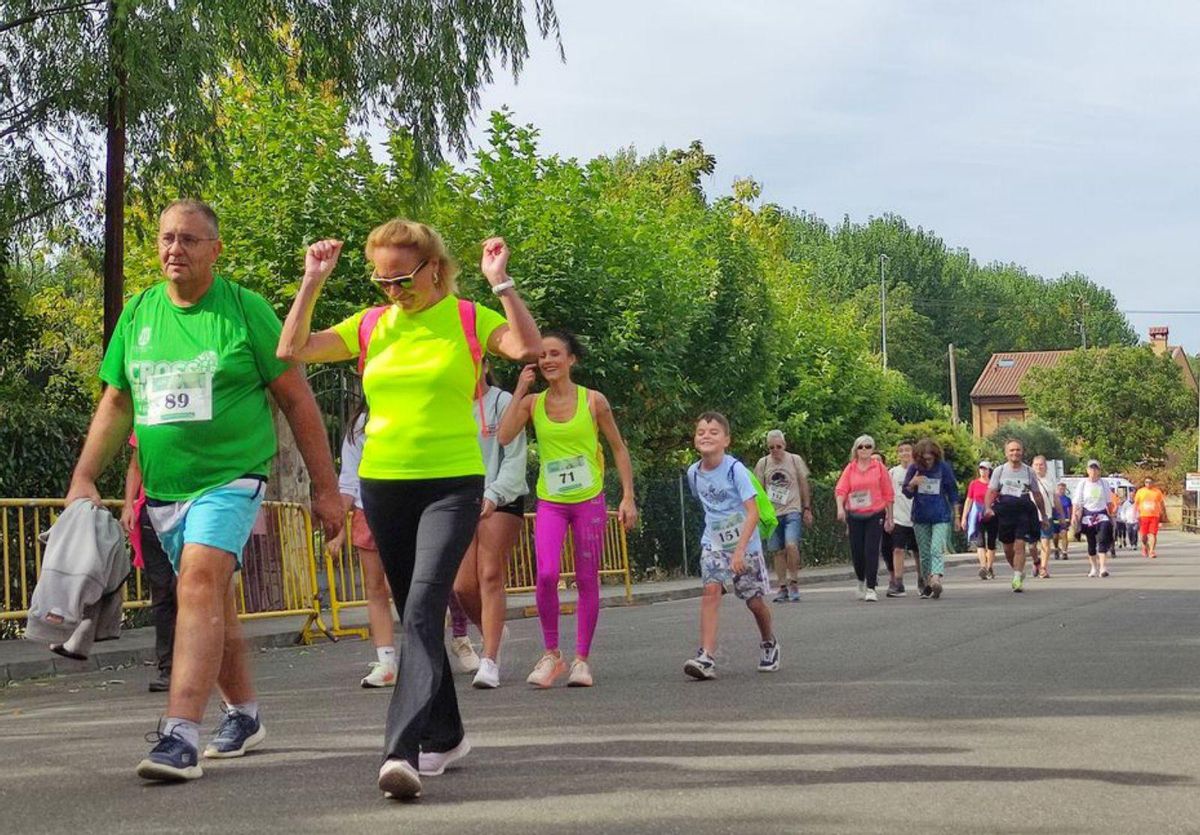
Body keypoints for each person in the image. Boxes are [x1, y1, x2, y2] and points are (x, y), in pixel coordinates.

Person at [66, 199, 343, 783]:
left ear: (215, 250)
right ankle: (244, 714)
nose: (175, 249)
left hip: (231, 477)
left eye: (189, 239)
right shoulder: (139, 313)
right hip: (165, 490)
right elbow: (118, 402)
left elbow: (297, 399)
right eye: (167, 238)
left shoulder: (244, 311)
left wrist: (326, 488)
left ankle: (179, 734)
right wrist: (84, 475)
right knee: (209, 601)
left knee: (197, 579)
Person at [278, 221, 540, 799]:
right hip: (384, 485)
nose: (393, 291)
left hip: (452, 482)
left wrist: (502, 283)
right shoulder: (372, 324)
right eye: (382, 280)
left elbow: (528, 349)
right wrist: (312, 280)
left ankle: (402, 750)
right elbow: (291, 348)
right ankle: (446, 734)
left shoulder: (469, 318)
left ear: (434, 269)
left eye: (403, 279)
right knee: (416, 612)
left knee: (421, 609)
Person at [498, 330, 638, 689]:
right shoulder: (533, 403)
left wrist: (627, 497)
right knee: (546, 574)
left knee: (587, 577)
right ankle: (551, 654)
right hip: (552, 501)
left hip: (588, 499)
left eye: (555, 354)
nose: (547, 360)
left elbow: (619, 449)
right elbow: (503, 435)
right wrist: (520, 390)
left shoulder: (594, 401)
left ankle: (581, 660)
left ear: (571, 359)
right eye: (542, 355)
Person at [682, 412, 780, 679]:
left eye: (713, 432)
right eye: (701, 432)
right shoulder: (694, 472)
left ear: (726, 439)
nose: (706, 436)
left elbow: (753, 512)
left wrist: (738, 551)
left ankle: (769, 641)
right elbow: (707, 506)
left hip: (745, 546)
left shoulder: (735, 470)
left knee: (754, 600)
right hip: (714, 542)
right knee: (710, 591)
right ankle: (706, 656)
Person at [453, 358, 529, 689]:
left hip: (502, 497)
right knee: (461, 587)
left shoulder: (502, 402)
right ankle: (492, 628)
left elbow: (514, 458)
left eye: (472, 361)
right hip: (460, 500)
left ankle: (490, 660)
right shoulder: (447, 407)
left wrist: (494, 494)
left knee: (489, 573)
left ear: (484, 365)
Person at [325, 410, 399, 688]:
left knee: (406, 587)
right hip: (369, 511)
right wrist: (337, 528)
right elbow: (349, 481)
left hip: (407, 509)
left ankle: (425, 654)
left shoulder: (408, 405)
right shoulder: (359, 424)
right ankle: (386, 661)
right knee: (375, 587)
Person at [121, 436, 175, 693]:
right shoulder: (148, 414)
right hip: (151, 513)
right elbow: (136, 465)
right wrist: (128, 506)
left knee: (189, 590)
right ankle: (168, 668)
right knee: (162, 592)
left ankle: (200, 664)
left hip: (191, 509)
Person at [754, 429, 813, 603]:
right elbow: (758, 489)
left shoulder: (795, 460)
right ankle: (782, 586)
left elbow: (804, 485)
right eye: (771, 447)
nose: (775, 451)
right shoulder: (763, 464)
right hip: (772, 514)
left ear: (784, 445)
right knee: (777, 551)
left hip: (792, 510)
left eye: (778, 447)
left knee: (791, 545)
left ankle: (793, 580)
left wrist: (807, 508)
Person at [982, 439, 1048, 593]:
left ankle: (1017, 578)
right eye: (1011, 450)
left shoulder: (1028, 471)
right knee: (1007, 548)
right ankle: (1017, 571)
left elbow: (1037, 494)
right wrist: (987, 508)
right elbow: (991, 491)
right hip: (1005, 510)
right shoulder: (999, 471)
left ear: (1022, 451)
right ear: (1006, 453)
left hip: (1023, 509)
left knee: (1020, 545)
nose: (1015, 453)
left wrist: (1043, 515)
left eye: (1018, 450)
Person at [834, 435, 894, 603]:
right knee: (857, 552)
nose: (865, 450)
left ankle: (871, 587)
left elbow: (888, 492)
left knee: (871, 550)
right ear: (856, 450)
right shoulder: (850, 468)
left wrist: (890, 516)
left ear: (873, 449)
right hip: (855, 514)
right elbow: (841, 489)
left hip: (875, 513)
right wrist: (840, 508)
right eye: (861, 447)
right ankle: (861, 579)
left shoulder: (879, 468)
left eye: (868, 446)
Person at [902, 438, 960, 599]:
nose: (928, 461)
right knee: (924, 552)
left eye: (930, 458)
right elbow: (906, 493)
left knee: (936, 548)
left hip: (940, 514)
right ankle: (927, 582)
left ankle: (936, 577)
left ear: (936, 455)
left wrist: (957, 516)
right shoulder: (914, 468)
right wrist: (912, 483)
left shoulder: (943, 468)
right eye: (925, 458)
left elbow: (953, 492)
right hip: (920, 516)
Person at [886, 442, 921, 597]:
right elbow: (888, 496)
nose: (904, 453)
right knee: (898, 549)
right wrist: (889, 516)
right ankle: (898, 582)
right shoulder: (892, 473)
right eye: (901, 451)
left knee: (918, 552)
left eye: (907, 450)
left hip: (917, 518)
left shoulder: (919, 472)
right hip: (899, 518)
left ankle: (922, 578)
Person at [1072, 460, 1116, 578]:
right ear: (1087, 470)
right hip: (1088, 516)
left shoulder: (1104, 483)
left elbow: (1109, 501)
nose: (1093, 471)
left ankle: (1103, 567)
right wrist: (1074, 517)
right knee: (1091, 543)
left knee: (1102, 539)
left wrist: (1112, 515)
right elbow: (1077, 502)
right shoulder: (1083, 484)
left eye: (1096, 469)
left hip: (1101, 515)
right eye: (1091, 469)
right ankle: (1093, 567)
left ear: (1099, 471)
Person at [962, 461, 997, 580]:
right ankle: (983, 567)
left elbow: (999, 499)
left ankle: (990, 566)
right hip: (977, 515)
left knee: (991, 542)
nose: (982, 470)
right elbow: (969, 500)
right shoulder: (974, 483)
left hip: (991, 514)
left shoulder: (994, 484)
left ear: (989, 470)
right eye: (981, 468)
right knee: (980, 541)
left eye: (985, 468)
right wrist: (964, 517)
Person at [1031, 455, 1063, 579]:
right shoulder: (1029, 480)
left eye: (1041, 464)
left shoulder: (1050, 480)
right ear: (1032, 466)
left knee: (1045, 542)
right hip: (1031, 517)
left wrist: (1061, 515)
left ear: (1046, 466)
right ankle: (1036, 561)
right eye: (1036, 465)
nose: (1039, 467)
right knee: (1032, 546)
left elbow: (1055, 499)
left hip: (1046, 516)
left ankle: (1043, 568)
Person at [1133, 477, 1167, 558]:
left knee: (1153, 534)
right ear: (1144, 483)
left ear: (1153, 483)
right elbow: (1136, 504)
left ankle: (1152, 551)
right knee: (1144, 536)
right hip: (1143, 516)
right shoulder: (1140, 491)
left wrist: (1164, 514)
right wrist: (1134, 515)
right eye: (1146, 482)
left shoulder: (1157, 492)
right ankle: (1145, 547)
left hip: (1154, 516)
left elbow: (1162, 503)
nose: (1148, 483)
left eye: (1150, 482)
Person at [1052, 482, 1073, 561]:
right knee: (1055, 536)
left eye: (1063, 489)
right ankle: (1056, 548)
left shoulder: (1067, 499)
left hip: (1064, 519)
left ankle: (1064, 552)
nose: (1062, 491)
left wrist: (1070, 518)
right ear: (1057, 489)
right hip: (1055, 519)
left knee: (1064, 534)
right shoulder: (1053, 498)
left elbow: (1070, 509)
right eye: (1060, 489)